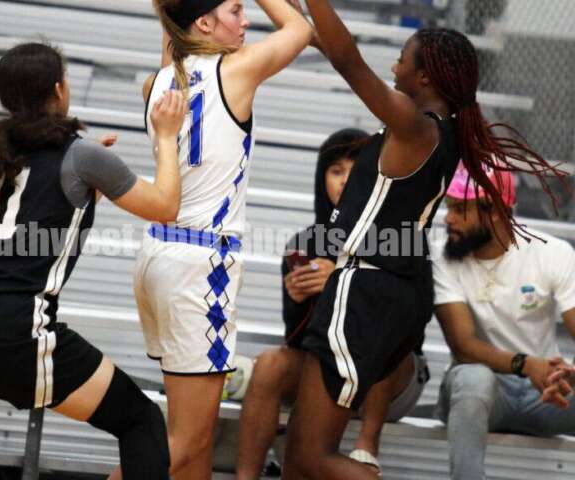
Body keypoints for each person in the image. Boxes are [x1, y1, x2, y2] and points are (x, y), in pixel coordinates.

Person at [284, 1, 565, 479]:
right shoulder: (439, 132)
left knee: (310, 459)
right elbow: (316, 38)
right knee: (297, 462)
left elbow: (346, 57)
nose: (393, 66)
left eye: (402, 58)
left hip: (365, 291)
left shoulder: (416, 127)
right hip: (386, 292)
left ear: (426, 77)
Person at [0, 42, 188, 480]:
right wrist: (165, 136)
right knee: (139, 420)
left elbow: (46, 198)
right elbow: (165, 207)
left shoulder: (0, 147)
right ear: (59, 89)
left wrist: (92, 175)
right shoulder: (81, 155)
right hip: (12, 328)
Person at [134, 1, 321, 478]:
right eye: (236, 9)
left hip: (158, 254)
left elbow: (172, 28)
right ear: (203, 22)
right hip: (200, 265)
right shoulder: (236, 70)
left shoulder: (158, 82)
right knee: (189, 441)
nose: (246, 20)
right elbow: (300, 25)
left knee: (188, 442)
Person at [235, 128, 429, 479]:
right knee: (269, 364)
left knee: (373, 346)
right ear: (321, 178)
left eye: (355, 169)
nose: (344, 180)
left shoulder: (400, 235)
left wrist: (345, 283)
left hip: (393, 375)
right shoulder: (306, 243)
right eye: (335, 170)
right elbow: (298, 341)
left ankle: (367, 448)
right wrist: (299, 302)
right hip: (328, 370)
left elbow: (412, 326)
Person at [433, 164, 575, 480]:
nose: (448, 219)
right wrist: (528, 365)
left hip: (545, 394)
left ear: (495, 211)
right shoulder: (444, 257)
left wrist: (568, 375)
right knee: (472, 379)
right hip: (483, 391)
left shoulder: (551, 253)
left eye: (460, 209)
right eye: (448, 207)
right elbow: (463, 345)